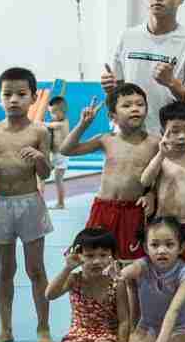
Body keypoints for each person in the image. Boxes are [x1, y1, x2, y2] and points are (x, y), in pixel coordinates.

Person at [0, 67, 55, 342]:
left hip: (30, 203)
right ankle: (5, 329)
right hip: (1, 204)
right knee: (5, 270)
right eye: (7, 94)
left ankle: (43, 327)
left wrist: (39, 158)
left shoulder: (40, 131)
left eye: (21, 94)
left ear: (33, 97)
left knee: (36, 269)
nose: (14, 100)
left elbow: (46, 173)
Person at [102, 0, 185, 136]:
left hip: (169, 141)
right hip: (127, 138)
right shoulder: (127, 37)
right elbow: (118, 94)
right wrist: (110, 89)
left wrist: (171, 82)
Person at [140, 99, 185, 342]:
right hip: (162, 229)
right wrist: (161, 153)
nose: (181, 137)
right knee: (158, 282)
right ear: (163, 132)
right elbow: (144, 180)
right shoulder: (161, 161)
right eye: (174, 131)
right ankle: (155, 326)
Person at [63, 88, 159, 261]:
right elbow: (67, 149)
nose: (135, 109)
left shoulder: (155, 143)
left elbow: (162, 176)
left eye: (140, 104)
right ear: (112, 116)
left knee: (130, 261)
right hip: (103, 208)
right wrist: (83, 124)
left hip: (134, 210)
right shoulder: (106, 139)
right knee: (95, 260)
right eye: (127, 105)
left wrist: (151, 194)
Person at [116, 216, 185, 342]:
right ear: (146, 248)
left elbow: (174, 311)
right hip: (147, 327)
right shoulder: (143, 264)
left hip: (178, 331)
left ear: (181, 247)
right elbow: (129, 270)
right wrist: (119, 274)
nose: (161, 251)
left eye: (169, 244)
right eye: (154, 245)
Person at [49, 226, 128, 342]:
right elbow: (50, 295)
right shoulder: (74, 279)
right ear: (78, 256)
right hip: (77, 332)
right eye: (89, 256)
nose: (96, 261)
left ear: (112, 257)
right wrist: (67, 268)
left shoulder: (116, 283)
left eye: (103, 255)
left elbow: (124, 320)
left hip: (106, 336)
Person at [42, 96, 69, 210]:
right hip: (56, 155)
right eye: (50, 113)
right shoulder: (57, 122)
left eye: (52, 113)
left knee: (57, 179)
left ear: (61, 112)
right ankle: (57, 202)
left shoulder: (63, 123)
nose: (51, 116)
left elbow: (48, 125)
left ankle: (60, 203)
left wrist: (37, 122)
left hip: (61, 155)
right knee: (45, 176)